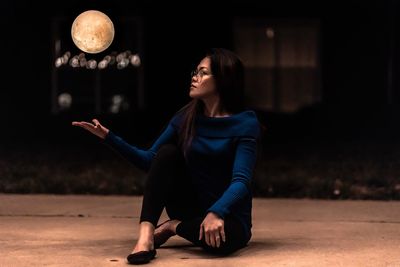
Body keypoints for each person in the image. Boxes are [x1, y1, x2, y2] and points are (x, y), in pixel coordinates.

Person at [72, 48, 261, 265]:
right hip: (189, 205)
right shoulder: (185, 118)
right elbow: (150, 162)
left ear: (223, 80)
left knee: (224, 243)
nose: (194, 77)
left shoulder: (246, 124)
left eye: (203, 73)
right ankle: (145, 236)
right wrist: (108, 137)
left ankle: (173, 226)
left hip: (228, 215)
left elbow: (241, 181)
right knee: (167, 153)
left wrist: (216, 212)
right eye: (195, 72)